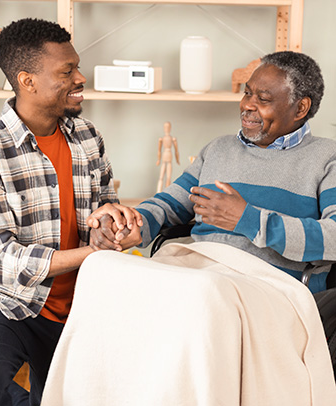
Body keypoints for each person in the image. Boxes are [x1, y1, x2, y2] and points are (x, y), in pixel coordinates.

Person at [88, 50, 336, 295]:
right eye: (247, 93)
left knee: (201, 292)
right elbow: (168, 205)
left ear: (301, 108)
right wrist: (131, 224)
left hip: (265, 284)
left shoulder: (327, 157)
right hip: (197, 268)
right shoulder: (219, 148)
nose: (247, 105)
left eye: (263, 99)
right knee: (102, 271)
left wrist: (249, 219)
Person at [0, 18, 119, 405]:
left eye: (77, 66)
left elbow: (103, 205)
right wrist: (91, 254)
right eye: (67, 71)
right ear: (27, 81)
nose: (80, 78)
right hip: (12, 306)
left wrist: (110, 225)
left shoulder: (87, 136)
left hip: (84, 305)